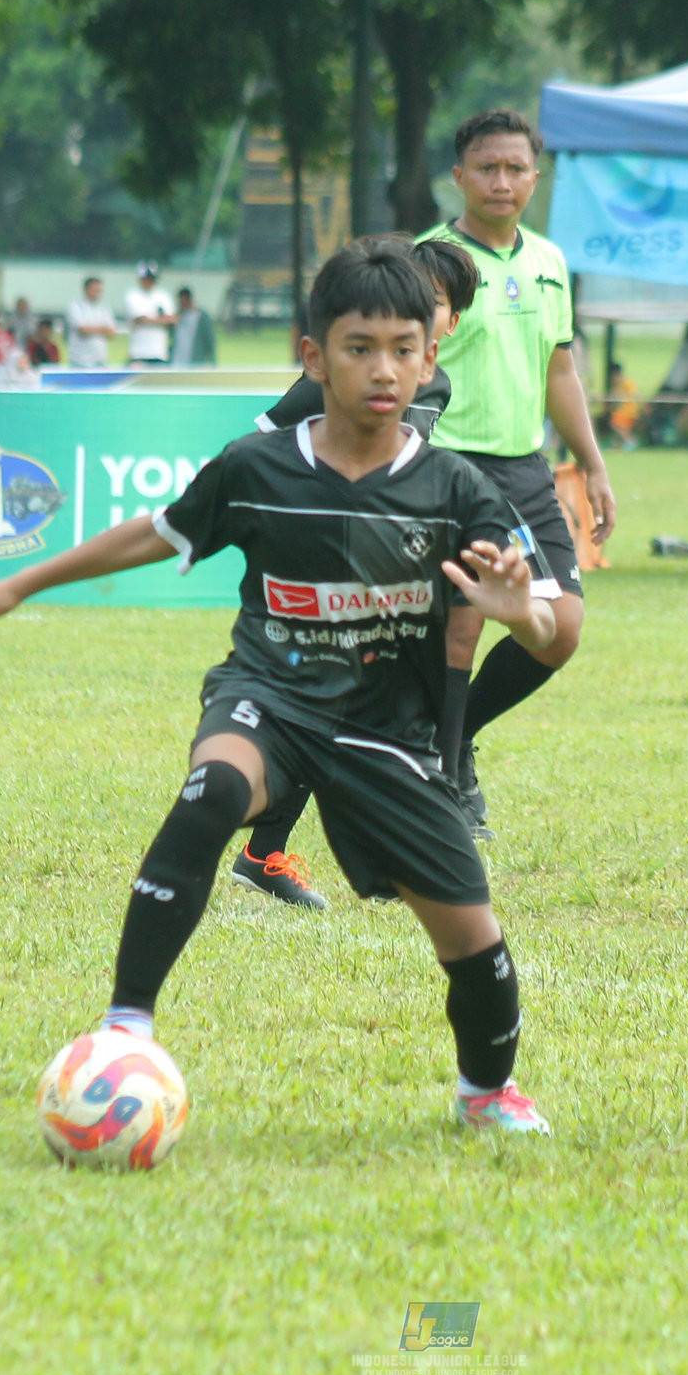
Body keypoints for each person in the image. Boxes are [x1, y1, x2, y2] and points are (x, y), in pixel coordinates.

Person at [0, 237, 558, 1136]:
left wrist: (518, 612)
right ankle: (124, 1030)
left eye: (401, 349)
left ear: (430, 357)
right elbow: (156, 531)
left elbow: (537, 620)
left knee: (472, 939)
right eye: (358, 347)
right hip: (273, 695)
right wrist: (17, 581)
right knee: (216, 786)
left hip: (391, 734)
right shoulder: (257, 467)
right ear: (313, 357)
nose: (382, 370)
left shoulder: (456, 488)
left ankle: (485, 1092)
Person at [229, 237, 491, 909]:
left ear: (450, 323)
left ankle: (265, 849)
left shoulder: (433, 382)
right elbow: (259, 441)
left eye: (433, 305)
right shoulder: (340, 373)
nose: (414, 312)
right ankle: (241, 829)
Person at [418, 108, 617, 838]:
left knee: (559, 628)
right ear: (459, 177)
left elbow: (558, 366)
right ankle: (442, 783)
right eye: (486, 168)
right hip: (448, 462)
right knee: (460, 631)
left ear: (536, 176)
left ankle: (451, 740)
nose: (501, 182)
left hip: (525, 467)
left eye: (515, 169)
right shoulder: (428, 259)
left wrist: (592, 466)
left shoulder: (549, 260)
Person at [123, 263, 176, 366]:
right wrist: (161, 320)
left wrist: (150, 320)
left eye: (152, 279)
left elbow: (172, 320)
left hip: (159, 353)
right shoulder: (133, 295)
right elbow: (140, 319)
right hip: (138, 353)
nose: (149, 282)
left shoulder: (163, 296)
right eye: (146, 279)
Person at [67, 277, 116, 368]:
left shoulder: (104, 308)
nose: (98, 293)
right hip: (80, 361)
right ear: (86, 290)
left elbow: (111, 332)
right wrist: (102, 329)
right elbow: (83, 330)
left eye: (99, 290)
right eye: (95, 290)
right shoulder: (76, 307)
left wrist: (93, 329)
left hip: (100, 360)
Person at [171, 286, 217, 366]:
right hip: (176, 362)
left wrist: (212, 360)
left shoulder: (202, 317)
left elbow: (209, 339)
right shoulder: (177, 316)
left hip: (194, 362)